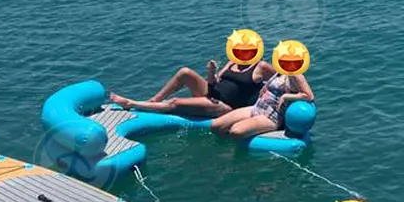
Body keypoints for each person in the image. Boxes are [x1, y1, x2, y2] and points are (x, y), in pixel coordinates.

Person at [108, 58, 274, 118]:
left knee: (175, 102)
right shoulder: (233, 62)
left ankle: (131, 103)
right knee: (185, 72)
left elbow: (282, 77)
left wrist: (265, 90)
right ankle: (155, 100)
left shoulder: (262, 66)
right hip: (213, 93)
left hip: (226, 106)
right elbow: (213, 83)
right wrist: (211, 72)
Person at [211, 70, 314, 139]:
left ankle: (233, 153)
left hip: (271, 116)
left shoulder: (295, 74)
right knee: (216, 125)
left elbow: (309, 96)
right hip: (257, 107)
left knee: (235, 131)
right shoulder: (280, 71)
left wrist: (286, 96)